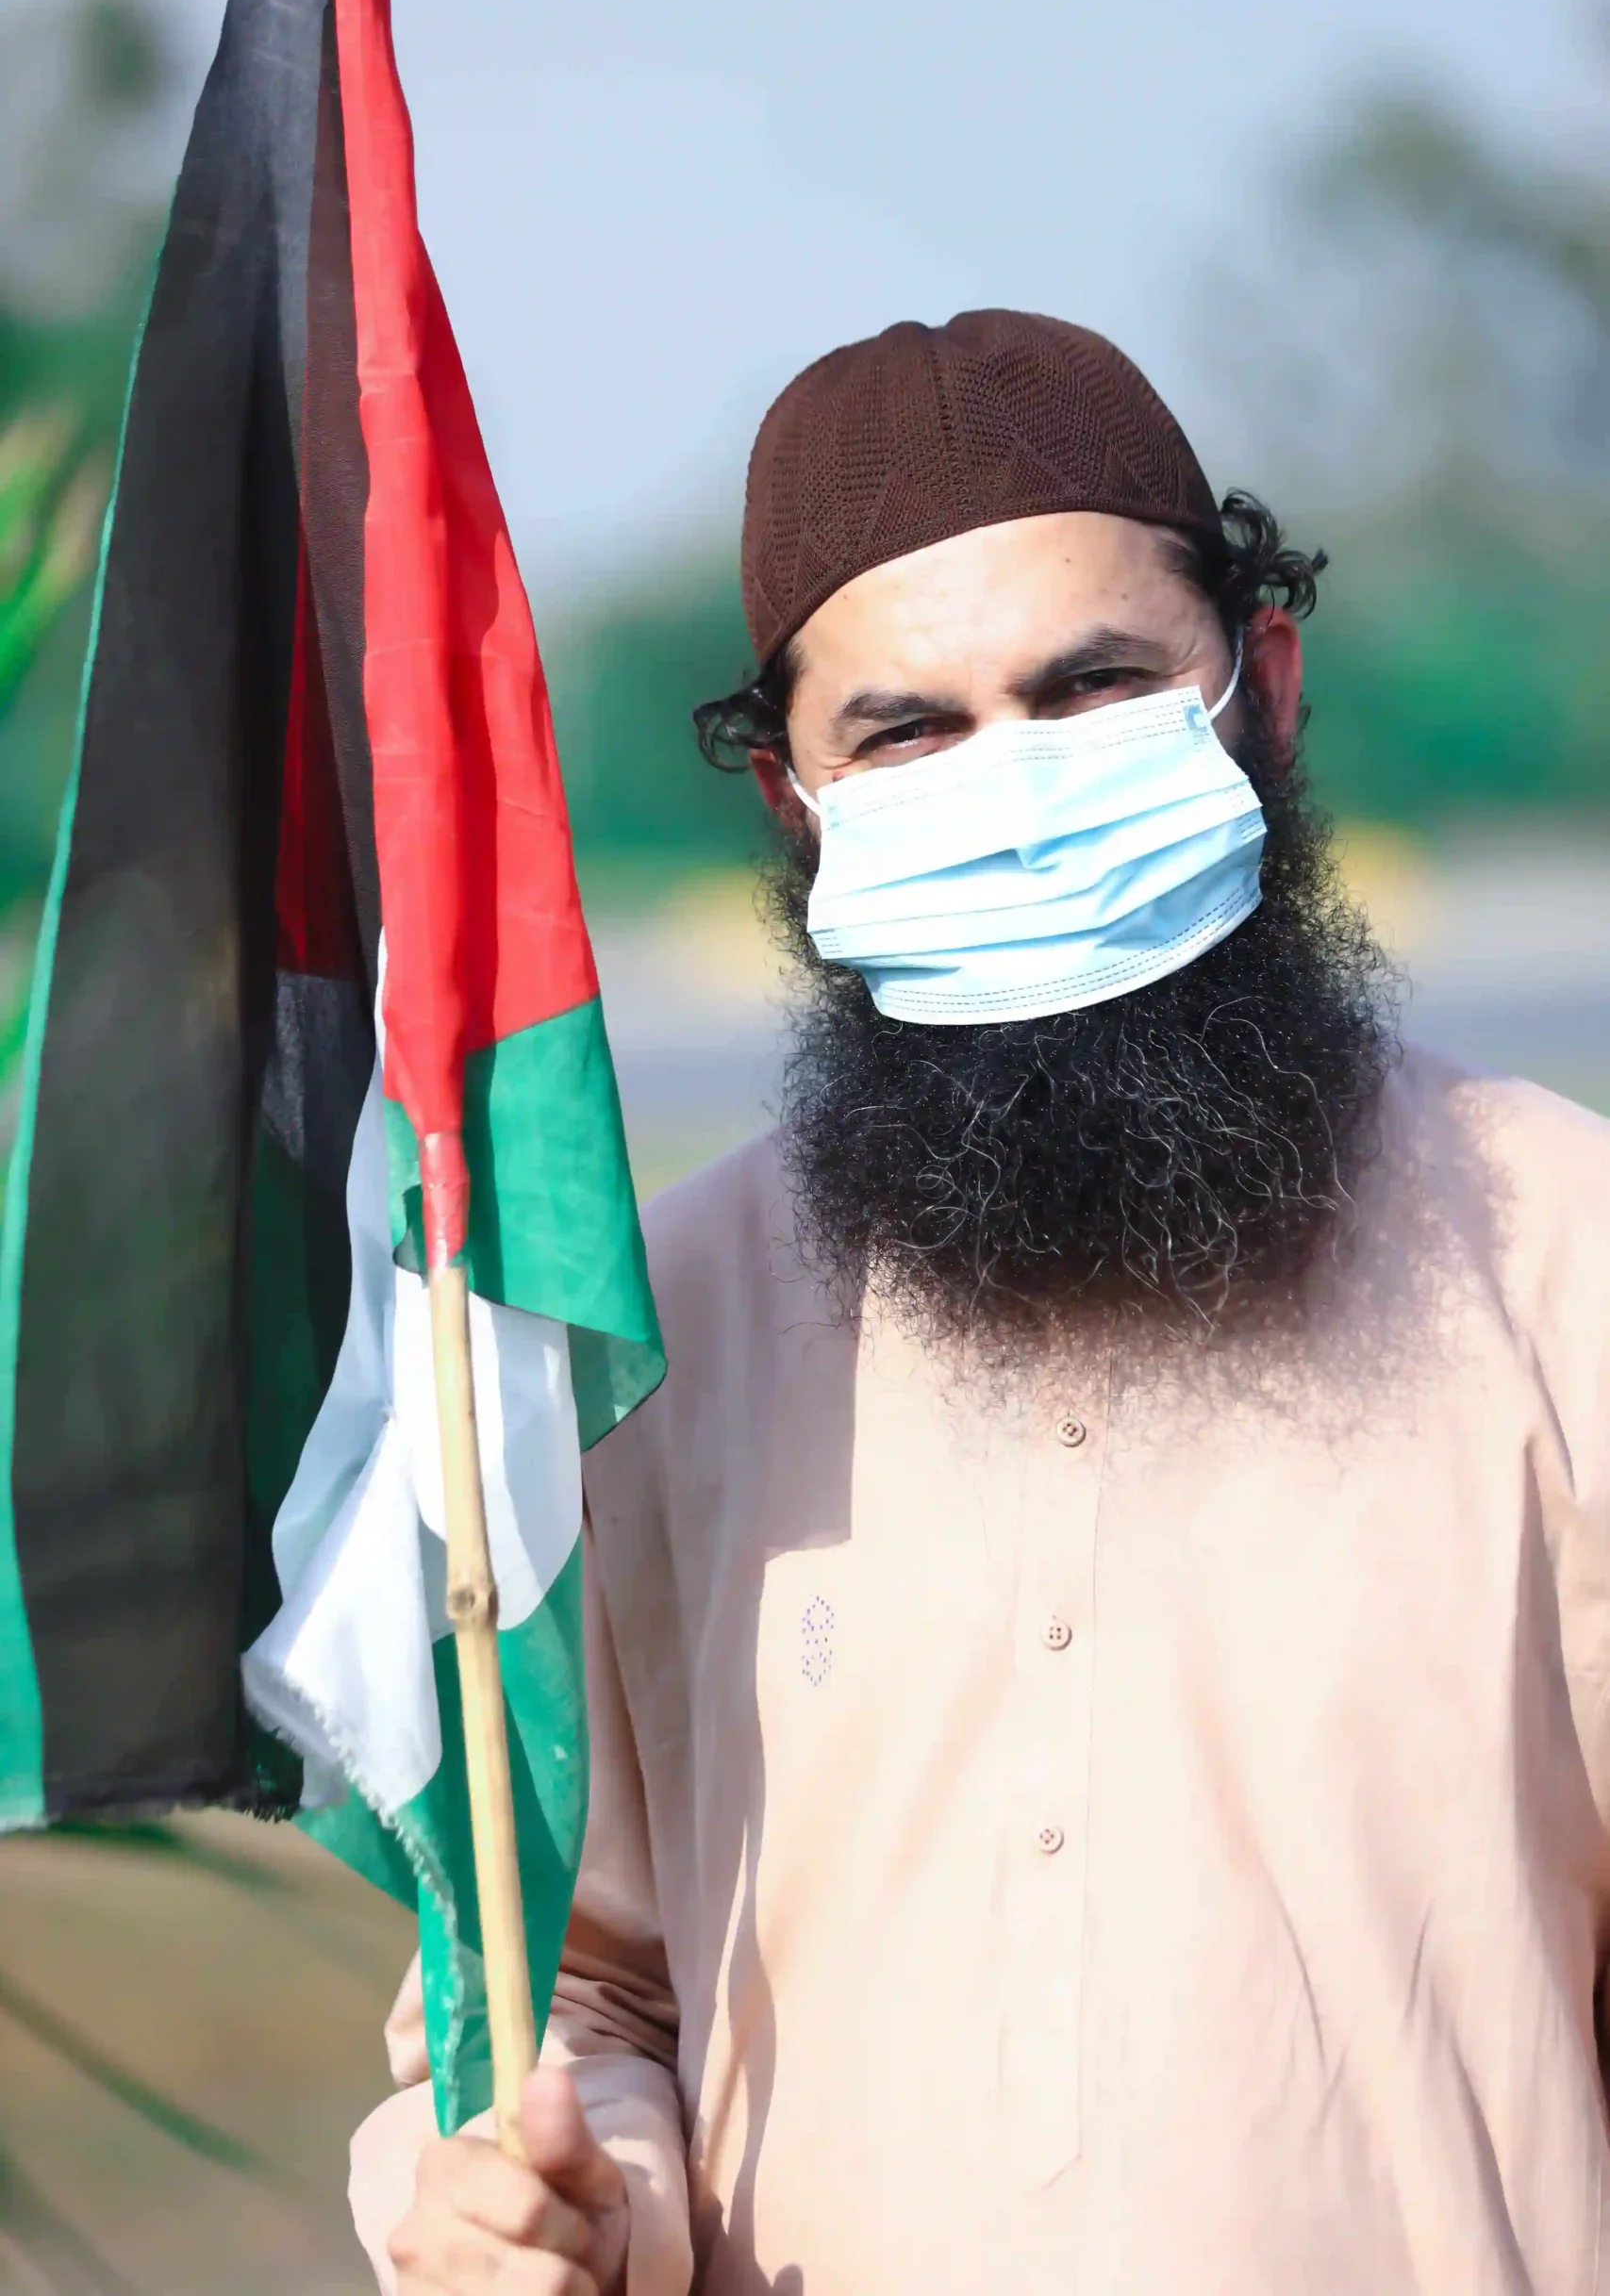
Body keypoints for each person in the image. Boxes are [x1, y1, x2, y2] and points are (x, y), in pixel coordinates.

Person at [349, 311, 1610, 2295]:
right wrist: (545, 2192)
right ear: (794, 799)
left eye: (1094, 686)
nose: (1012, 787)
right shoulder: (637, 1346)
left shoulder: (1562, 1259)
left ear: (1259, 687)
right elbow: (583, 1994)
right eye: (908, 730)